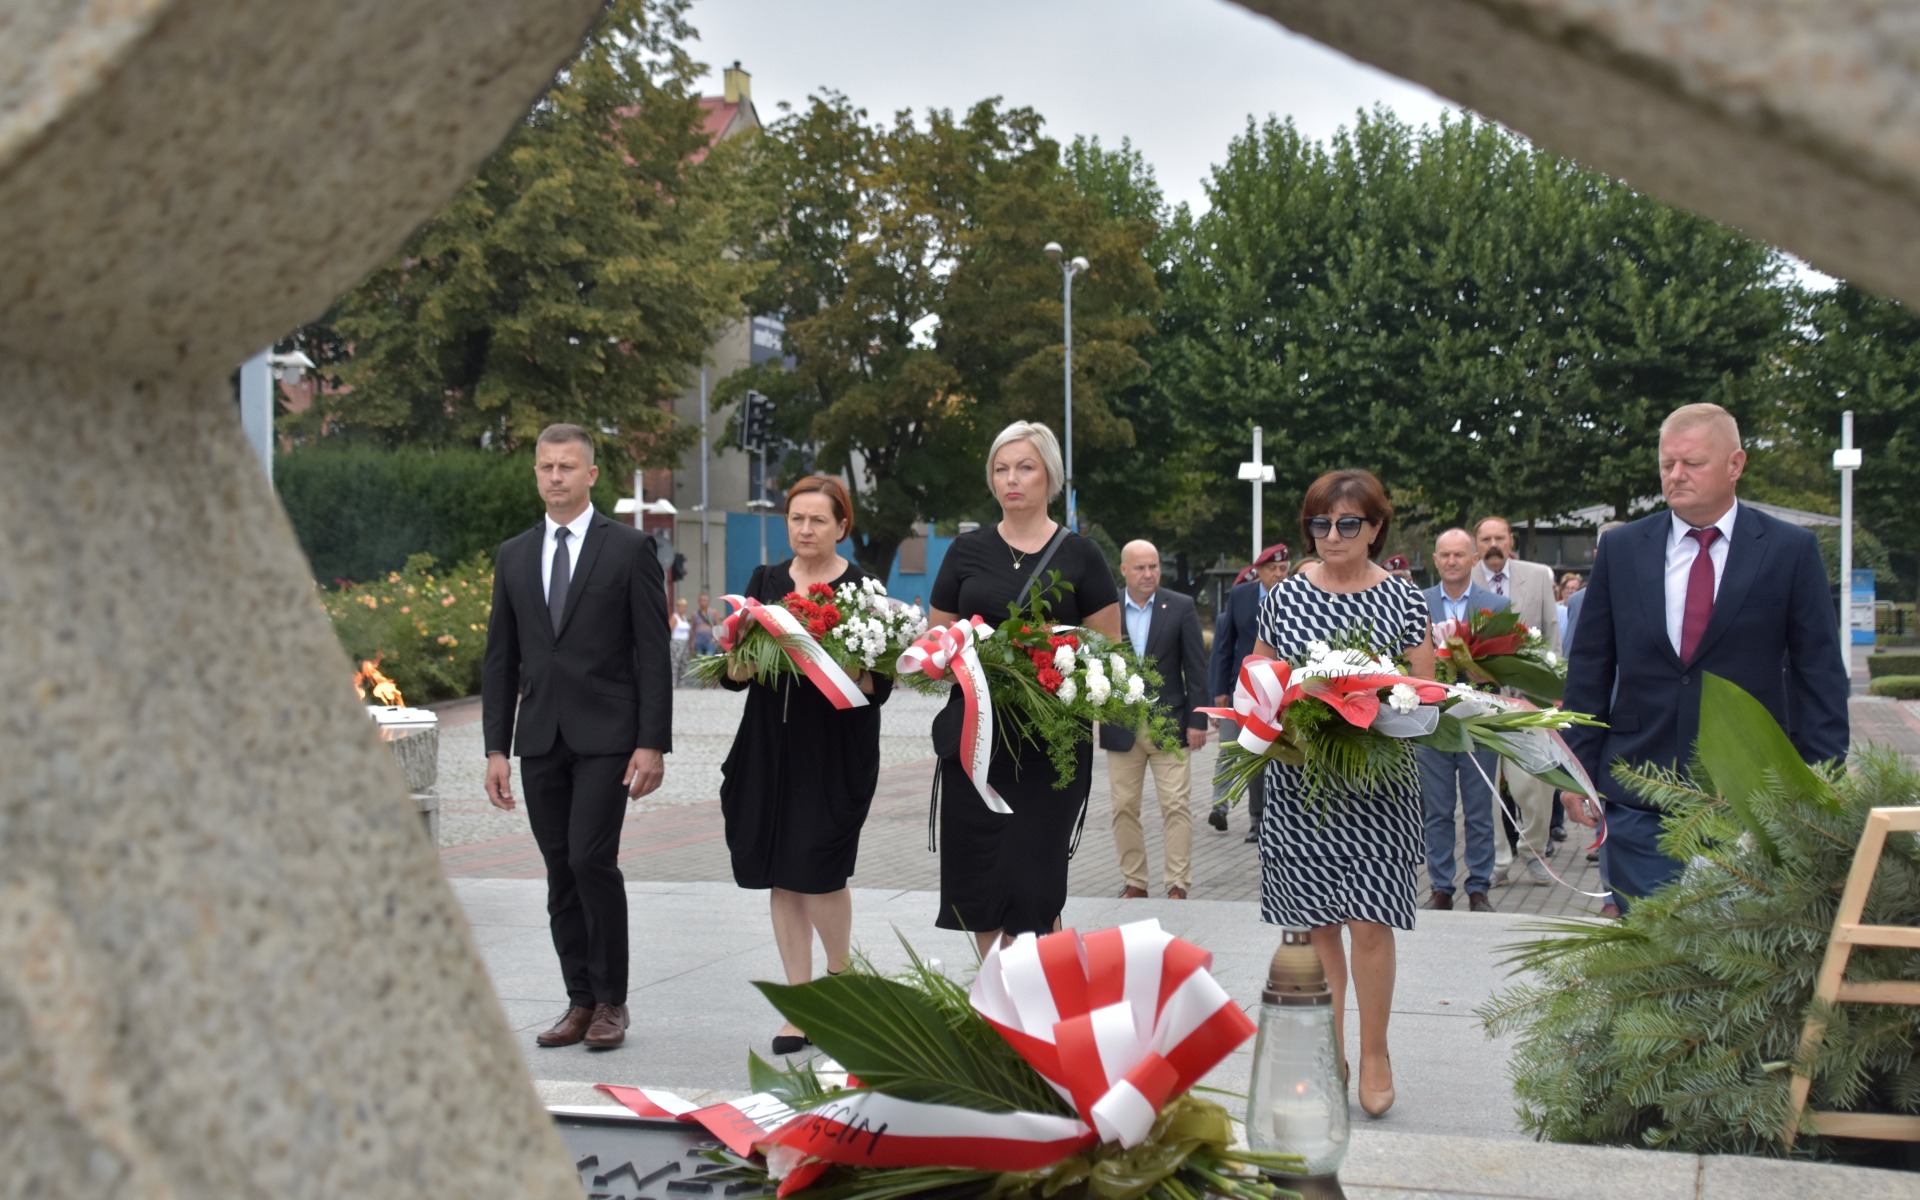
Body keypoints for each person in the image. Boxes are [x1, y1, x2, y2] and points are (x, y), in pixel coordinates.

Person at [1561, 403, 1849, 912]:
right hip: (1640, 791)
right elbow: (1589, 669)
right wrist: (1573, 772)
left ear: (1735, 464)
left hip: (1753, 798)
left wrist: (1821, 785)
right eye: (1667, 464)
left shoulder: (1788, 550)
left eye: (1692, 463)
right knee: (1647, 964)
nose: (1676, 476)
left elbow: (1819, 675)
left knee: (1741, 964)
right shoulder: (1624, 550)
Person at [482, 423, 671, 1051]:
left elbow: (651, 651)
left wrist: (653, 742)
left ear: (591, 475)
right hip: (539, 737)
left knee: (592, 859)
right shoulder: (513, 555)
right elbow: (499, 660)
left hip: (608, 736)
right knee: (560, 869)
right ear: (535, 474)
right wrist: (494, 749)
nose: (555, 477)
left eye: (567, 467)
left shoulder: (628, 549)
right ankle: (579, 1001)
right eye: (545, 467)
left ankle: (612, 1002)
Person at [1250, 469, 1432, 1119]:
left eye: (1348, 523)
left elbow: (1424, 693)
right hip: (1305, 783)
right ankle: (1331, 1054)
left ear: (1376, 528)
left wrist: (1372, 706)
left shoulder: (1405, 600)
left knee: (1371, 923)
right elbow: (1260, 675)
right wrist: (1290, 707)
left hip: (1379, 781)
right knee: (1320, 924)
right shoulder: (1287, 597)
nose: (1332, 534)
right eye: (1320, 523)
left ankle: (1375, 1051)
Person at [928, 421, 1121, 960]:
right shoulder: (965, 551)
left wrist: (1049, 664)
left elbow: (1109, 653)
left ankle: (1034, 1007)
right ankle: (996, 1003)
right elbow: (936, 645)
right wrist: (957, 655)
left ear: (1050, 477)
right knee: (981, 878)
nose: (1012, 479)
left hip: (1050, 748)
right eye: (1001, 468)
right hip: (974, 742)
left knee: (1032, 883)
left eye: (1025, 467)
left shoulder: (1082, 556)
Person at [719, 475, 890, 1055]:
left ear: (842, 525)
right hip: (769, 747)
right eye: (796, 519)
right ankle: (801, 1004)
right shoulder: (765, 583)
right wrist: (740, 660)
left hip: (834, 751)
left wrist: (842, 660)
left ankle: (841, 990)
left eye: (818, 520)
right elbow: (733, 672)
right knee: (780, 871)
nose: (806, 529)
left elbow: (880, 684)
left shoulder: (865, 589)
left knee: (819, 870)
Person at [1100, 540, 1210, 900]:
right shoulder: (1106, 610)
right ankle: (1135, 881)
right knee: (1123, 807)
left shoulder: (1179, 606)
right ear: (1124, 570)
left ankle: (1177, 883)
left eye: (1154, 567)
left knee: (1176, 805)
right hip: (1120, 725)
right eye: (1140, 568)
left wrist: (1197, 720)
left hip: (1170, 723)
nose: (1148, 574)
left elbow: (1195, 667)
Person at [1417, 529, 1507, 913]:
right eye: (1445, 555)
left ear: (1474, 559)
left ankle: (1479, 886)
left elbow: (1504, 667)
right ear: (1435, 560)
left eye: (1459, 555)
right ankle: (1440, 886)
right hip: (1432, 724)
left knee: (1478, 807)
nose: (1452, 561)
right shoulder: (1417, 605)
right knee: (1436, 809)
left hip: (1478, 723)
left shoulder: (1496, 606)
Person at [1470, 516, 1561, 887]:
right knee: (1487, 789)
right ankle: (1499, 860)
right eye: (1486, 538)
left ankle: (1535, 849)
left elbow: (1552, 633)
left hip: (1530, 700)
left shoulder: (1538, 576)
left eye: (1499, 537)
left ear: (1511, 541)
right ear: (1477, 545)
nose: (1493, 544)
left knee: (1537, 784)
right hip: (1483, 702)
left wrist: (1554, 691)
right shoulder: (1465, 580)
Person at [1207, 543, 1288, 840]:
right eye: (1272, 569)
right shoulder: (1241, 596)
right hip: (1245, 688)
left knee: (1276, 755)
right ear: (1259, 572)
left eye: (1283, 568)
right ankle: (1255, 820)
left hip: (1284, 689)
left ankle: (1275, 819)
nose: (1279, 574)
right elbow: (1225, 645)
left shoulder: (1295, 595)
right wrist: (1219, 691)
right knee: (1248, 752)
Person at [669, 596, 692, 686]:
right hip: (677, 642)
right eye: (680, 606)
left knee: (684, 662)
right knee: (675, 662)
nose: (682, 608)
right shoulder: (675, 617)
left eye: (684, 606)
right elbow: (670, 629)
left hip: (685, 642)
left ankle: (681, 681)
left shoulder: (684, 617)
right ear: (678, 607)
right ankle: (673, 681)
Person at [691, 591, 718, 658]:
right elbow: (693, 628)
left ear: (708, 601)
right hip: (698, 642)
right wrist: (691, 642)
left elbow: (718, 627)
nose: (703, 602)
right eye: (701, 600)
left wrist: (715, 639)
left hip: (710, 641)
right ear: (698, 601)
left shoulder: (713, 612)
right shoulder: (695, 614)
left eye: (705, 600)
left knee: (709, 660)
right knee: (699, 661)